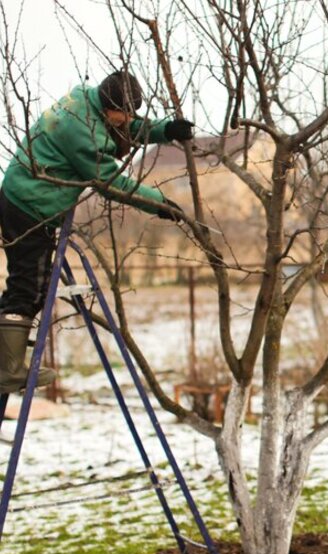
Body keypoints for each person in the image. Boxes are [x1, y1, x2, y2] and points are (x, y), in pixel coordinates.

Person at [0, 70, 194, 392]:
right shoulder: (81, 133)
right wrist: (159, 204)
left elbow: (125, 127)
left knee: (31, 283)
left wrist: (164, 130)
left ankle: (4, 359)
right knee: (28, 287)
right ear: (109, 107)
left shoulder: (89, 101)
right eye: (124, 113)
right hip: (29, 207)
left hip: (24, 197)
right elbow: (110, 182)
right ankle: (7, 371)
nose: (129, 119)